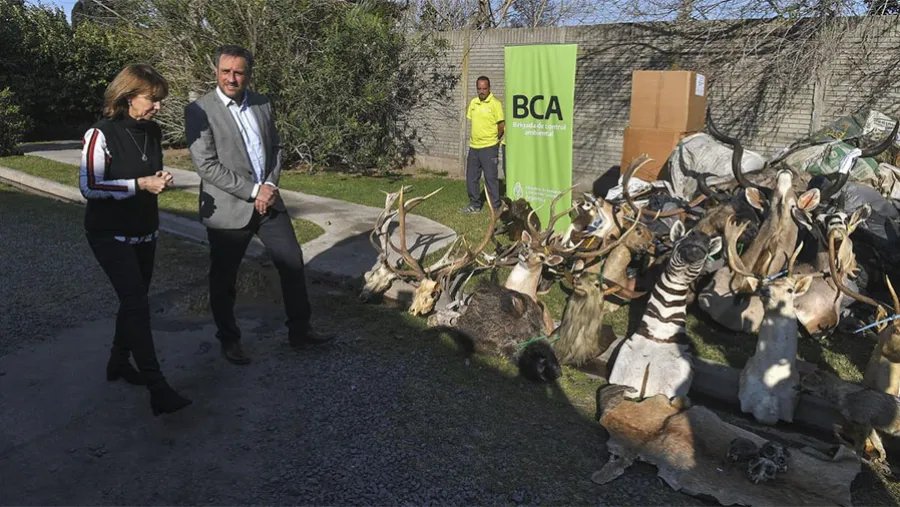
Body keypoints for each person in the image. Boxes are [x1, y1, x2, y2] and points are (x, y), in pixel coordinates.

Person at [184, 45, 332, 365]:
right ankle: (229, 339)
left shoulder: (263, 103)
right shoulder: (199, 110)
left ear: (248, 73)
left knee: (292, 263)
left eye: (238, 72)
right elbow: (206, 166)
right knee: (224, 279)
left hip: (269, 202)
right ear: (216, 71)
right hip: (227, 209)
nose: (232, 78)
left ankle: (300, 331)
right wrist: (255, 191)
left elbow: (276, 148)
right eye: (225, 72)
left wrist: (270, 186)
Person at [79, 63, 192, 416]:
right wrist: (140, 184)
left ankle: (117, 362)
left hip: (145, 229)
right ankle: (157, 388)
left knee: (135, 301)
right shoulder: (100, 134)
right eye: (153, 99)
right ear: (129, 97)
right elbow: (90, 186)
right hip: (109, 234)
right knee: (137, 305)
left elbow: (146, 169)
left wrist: (159, 176)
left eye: (160, 100)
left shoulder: (152, 132)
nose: (158, 106)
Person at [460, 75, 505, 214]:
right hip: (474, 147)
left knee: (490, 178)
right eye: (479, 88)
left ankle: (495, 207)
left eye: (484, 88)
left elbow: (501, 125)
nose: (482, 91)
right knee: (472, 177)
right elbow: (473, 122)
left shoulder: (495, 104)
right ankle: (475, 205)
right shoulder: (473, 103)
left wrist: (493, 141)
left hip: (489, 147)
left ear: (489, 88)